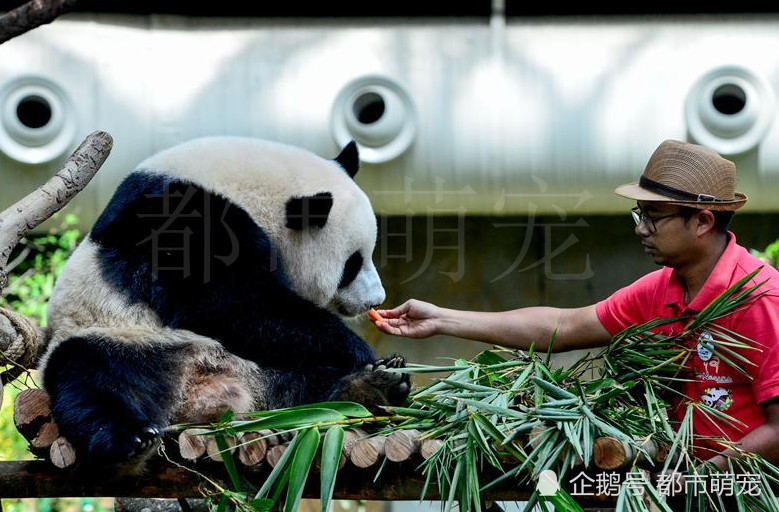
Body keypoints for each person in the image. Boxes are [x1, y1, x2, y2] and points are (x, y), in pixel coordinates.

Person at [372, 139, 779, 471]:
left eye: (654, 216)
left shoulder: (760, 299)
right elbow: (564, 327)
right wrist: (442, 318)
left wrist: (704, 477)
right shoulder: (661, 289)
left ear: (703, 221)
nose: (641, 228)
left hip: (742, 486)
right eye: (639, 214)